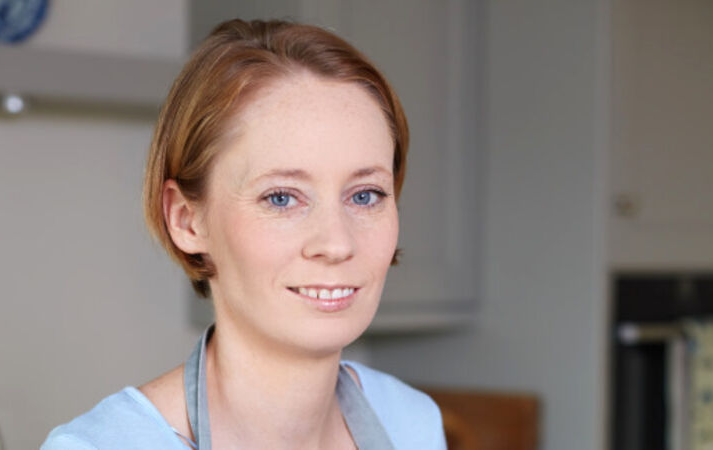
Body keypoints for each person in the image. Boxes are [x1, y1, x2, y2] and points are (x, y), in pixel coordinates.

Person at [41, 18, 446, 450]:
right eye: (281, 198)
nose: (337, 244)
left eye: (365, 195)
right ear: (186, 220)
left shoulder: (411, 423)